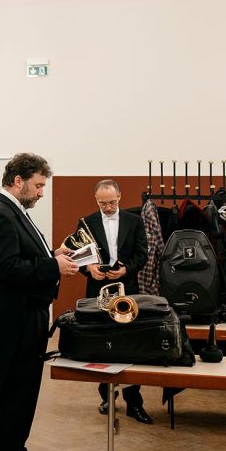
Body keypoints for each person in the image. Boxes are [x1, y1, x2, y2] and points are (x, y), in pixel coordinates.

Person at [0, 153, 79, 451]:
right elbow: (4, 269)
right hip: (11, 324)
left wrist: (54, 254)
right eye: (37, 185)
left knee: (24, 399)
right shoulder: (0, 215)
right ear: (17, 181)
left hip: (25, 319)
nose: (40, 193)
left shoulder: (15, 212)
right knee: (10, 400)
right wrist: (53, 267)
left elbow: (23, 258)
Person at [76, 179, 152, 423]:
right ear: (95, 200)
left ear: (119, 196)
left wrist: (125, 270)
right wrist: (89, 269)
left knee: (130, 345)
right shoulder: (86, 222)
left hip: (127, 288)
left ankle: (134, 403)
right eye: (102, 203)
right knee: (102, 344)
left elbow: (143, 255)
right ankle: (107, 397)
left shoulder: (135, 221)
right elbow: (79, 257)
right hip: (98, 289)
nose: (108, 207)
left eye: (111, 202)